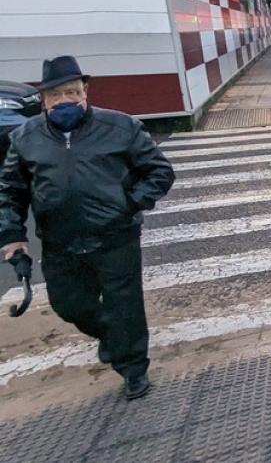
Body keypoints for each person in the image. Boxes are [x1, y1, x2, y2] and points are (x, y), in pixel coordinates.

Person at [0, 56, 175, 400]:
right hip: (59, 242)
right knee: (69, 305)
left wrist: (128, 203)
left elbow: (159, 172)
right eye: (56, 95)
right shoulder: (25, 138)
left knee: (125, 304)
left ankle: (133, 368)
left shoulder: (120, 127)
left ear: (85, 93)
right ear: (43, 100)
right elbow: (10, 190)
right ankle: (112, 336)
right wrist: (12, 236)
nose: (65, 101)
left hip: (115, 237)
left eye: (72, 92)